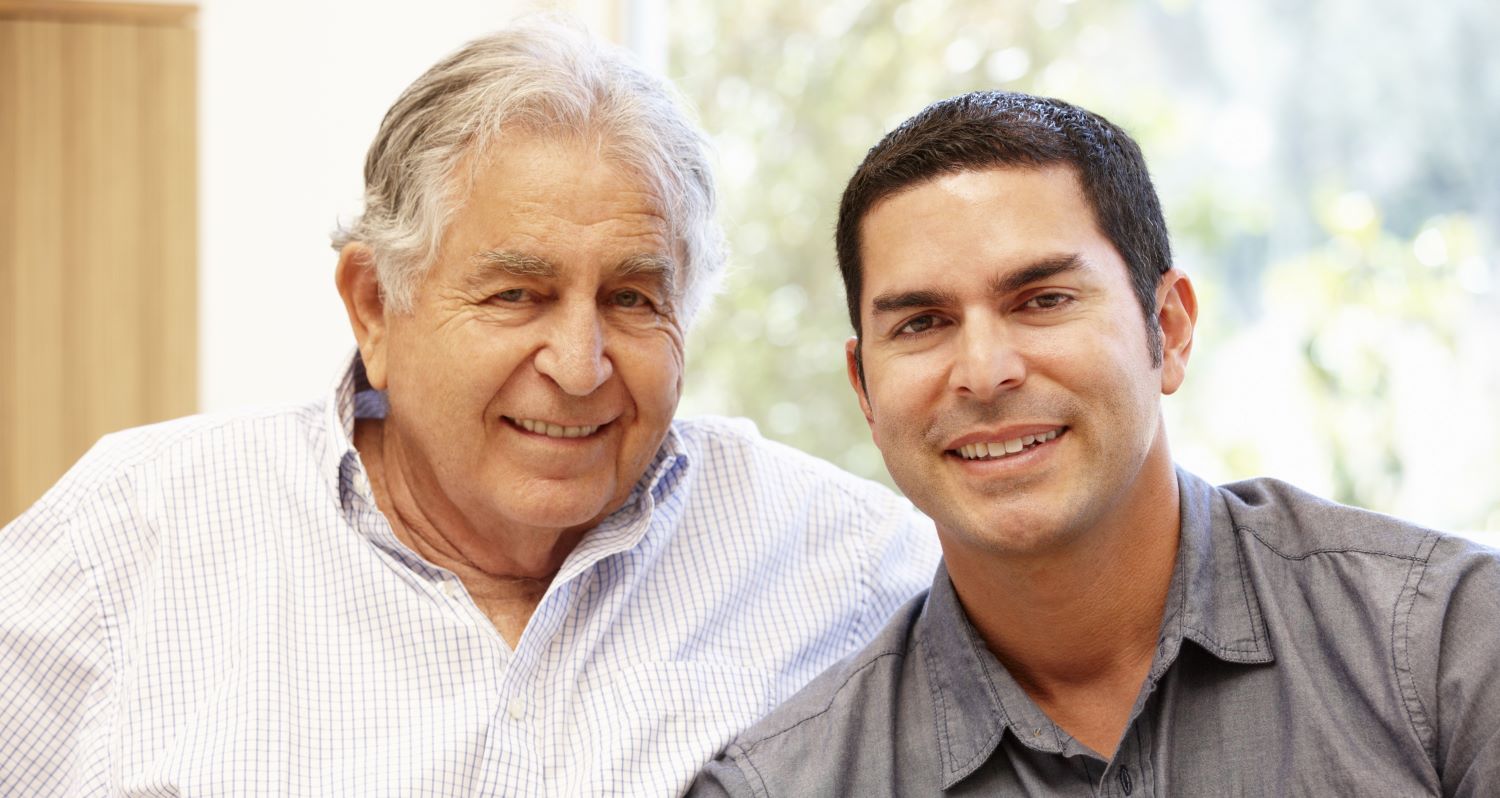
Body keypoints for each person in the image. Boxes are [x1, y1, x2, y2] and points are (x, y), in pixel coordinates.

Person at [0, 18, 940, 796]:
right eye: (514, 296)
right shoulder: (130, 538)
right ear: (374, 304)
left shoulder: (846, 564)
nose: (580, 367)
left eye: (632, 298)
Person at [692, 91, 1500, 796]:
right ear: (864, 388)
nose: (984, 371)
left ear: (1170, 330)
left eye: (1042, 300)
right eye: (923, 323)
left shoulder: (1445, 648)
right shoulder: (780, 782)